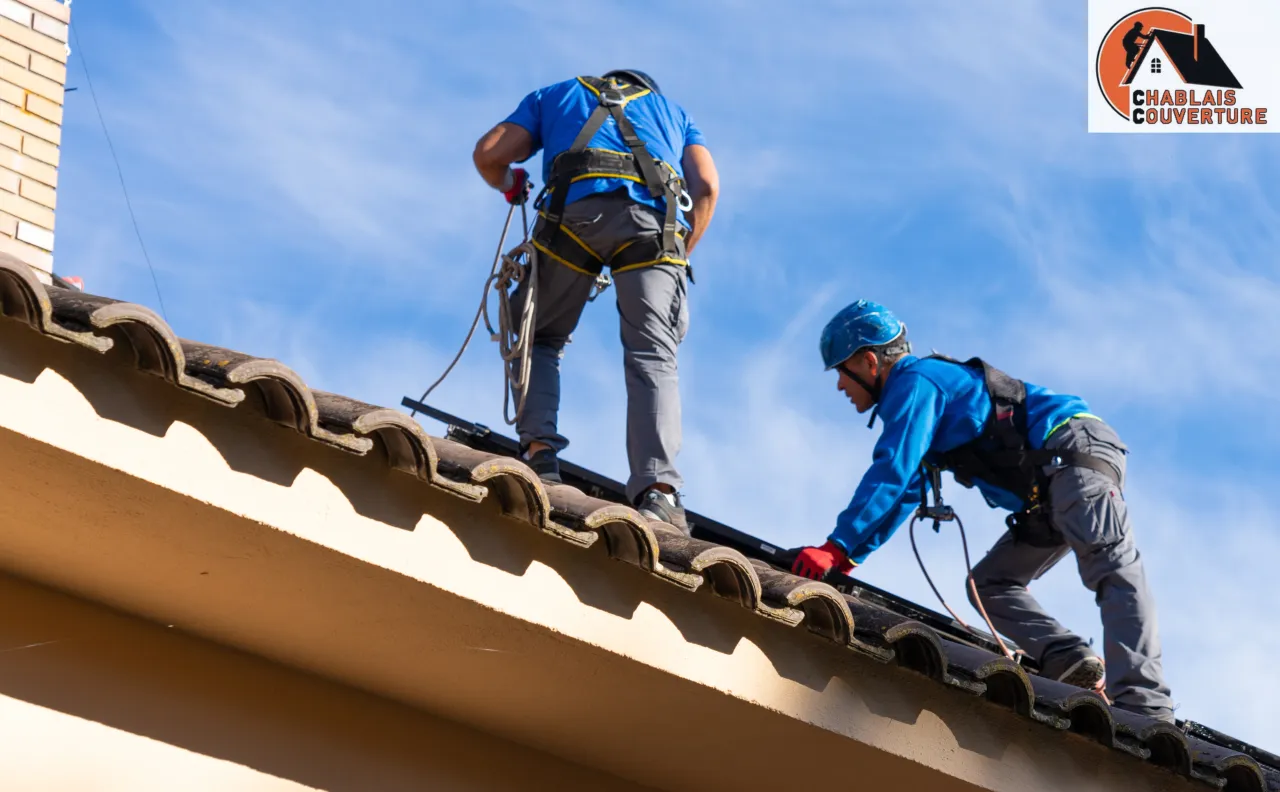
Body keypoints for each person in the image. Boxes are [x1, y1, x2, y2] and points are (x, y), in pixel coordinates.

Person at [790, 300, 1174, 721]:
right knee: (989, 585)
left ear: (868, 361)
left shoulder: (916, 381)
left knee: (1113, 568)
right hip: (1048, 490)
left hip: (1071, 456)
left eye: (841, 372)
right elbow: (906, 490)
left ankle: (1145, 707)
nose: (840, 386)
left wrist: (835, 545)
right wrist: (849, 556)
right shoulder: (923, 393)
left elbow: (892, 469)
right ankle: (1067, 657)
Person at [472, 70, 719, 534]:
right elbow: (705, 186)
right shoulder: (675, 115)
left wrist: (509, 183)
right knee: (653, 355)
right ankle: (659, 493)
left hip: (572, 219)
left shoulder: (556, 95)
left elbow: (488, 154)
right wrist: (679, 254)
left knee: (537, 335)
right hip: (654, 229)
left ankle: (539, 455)